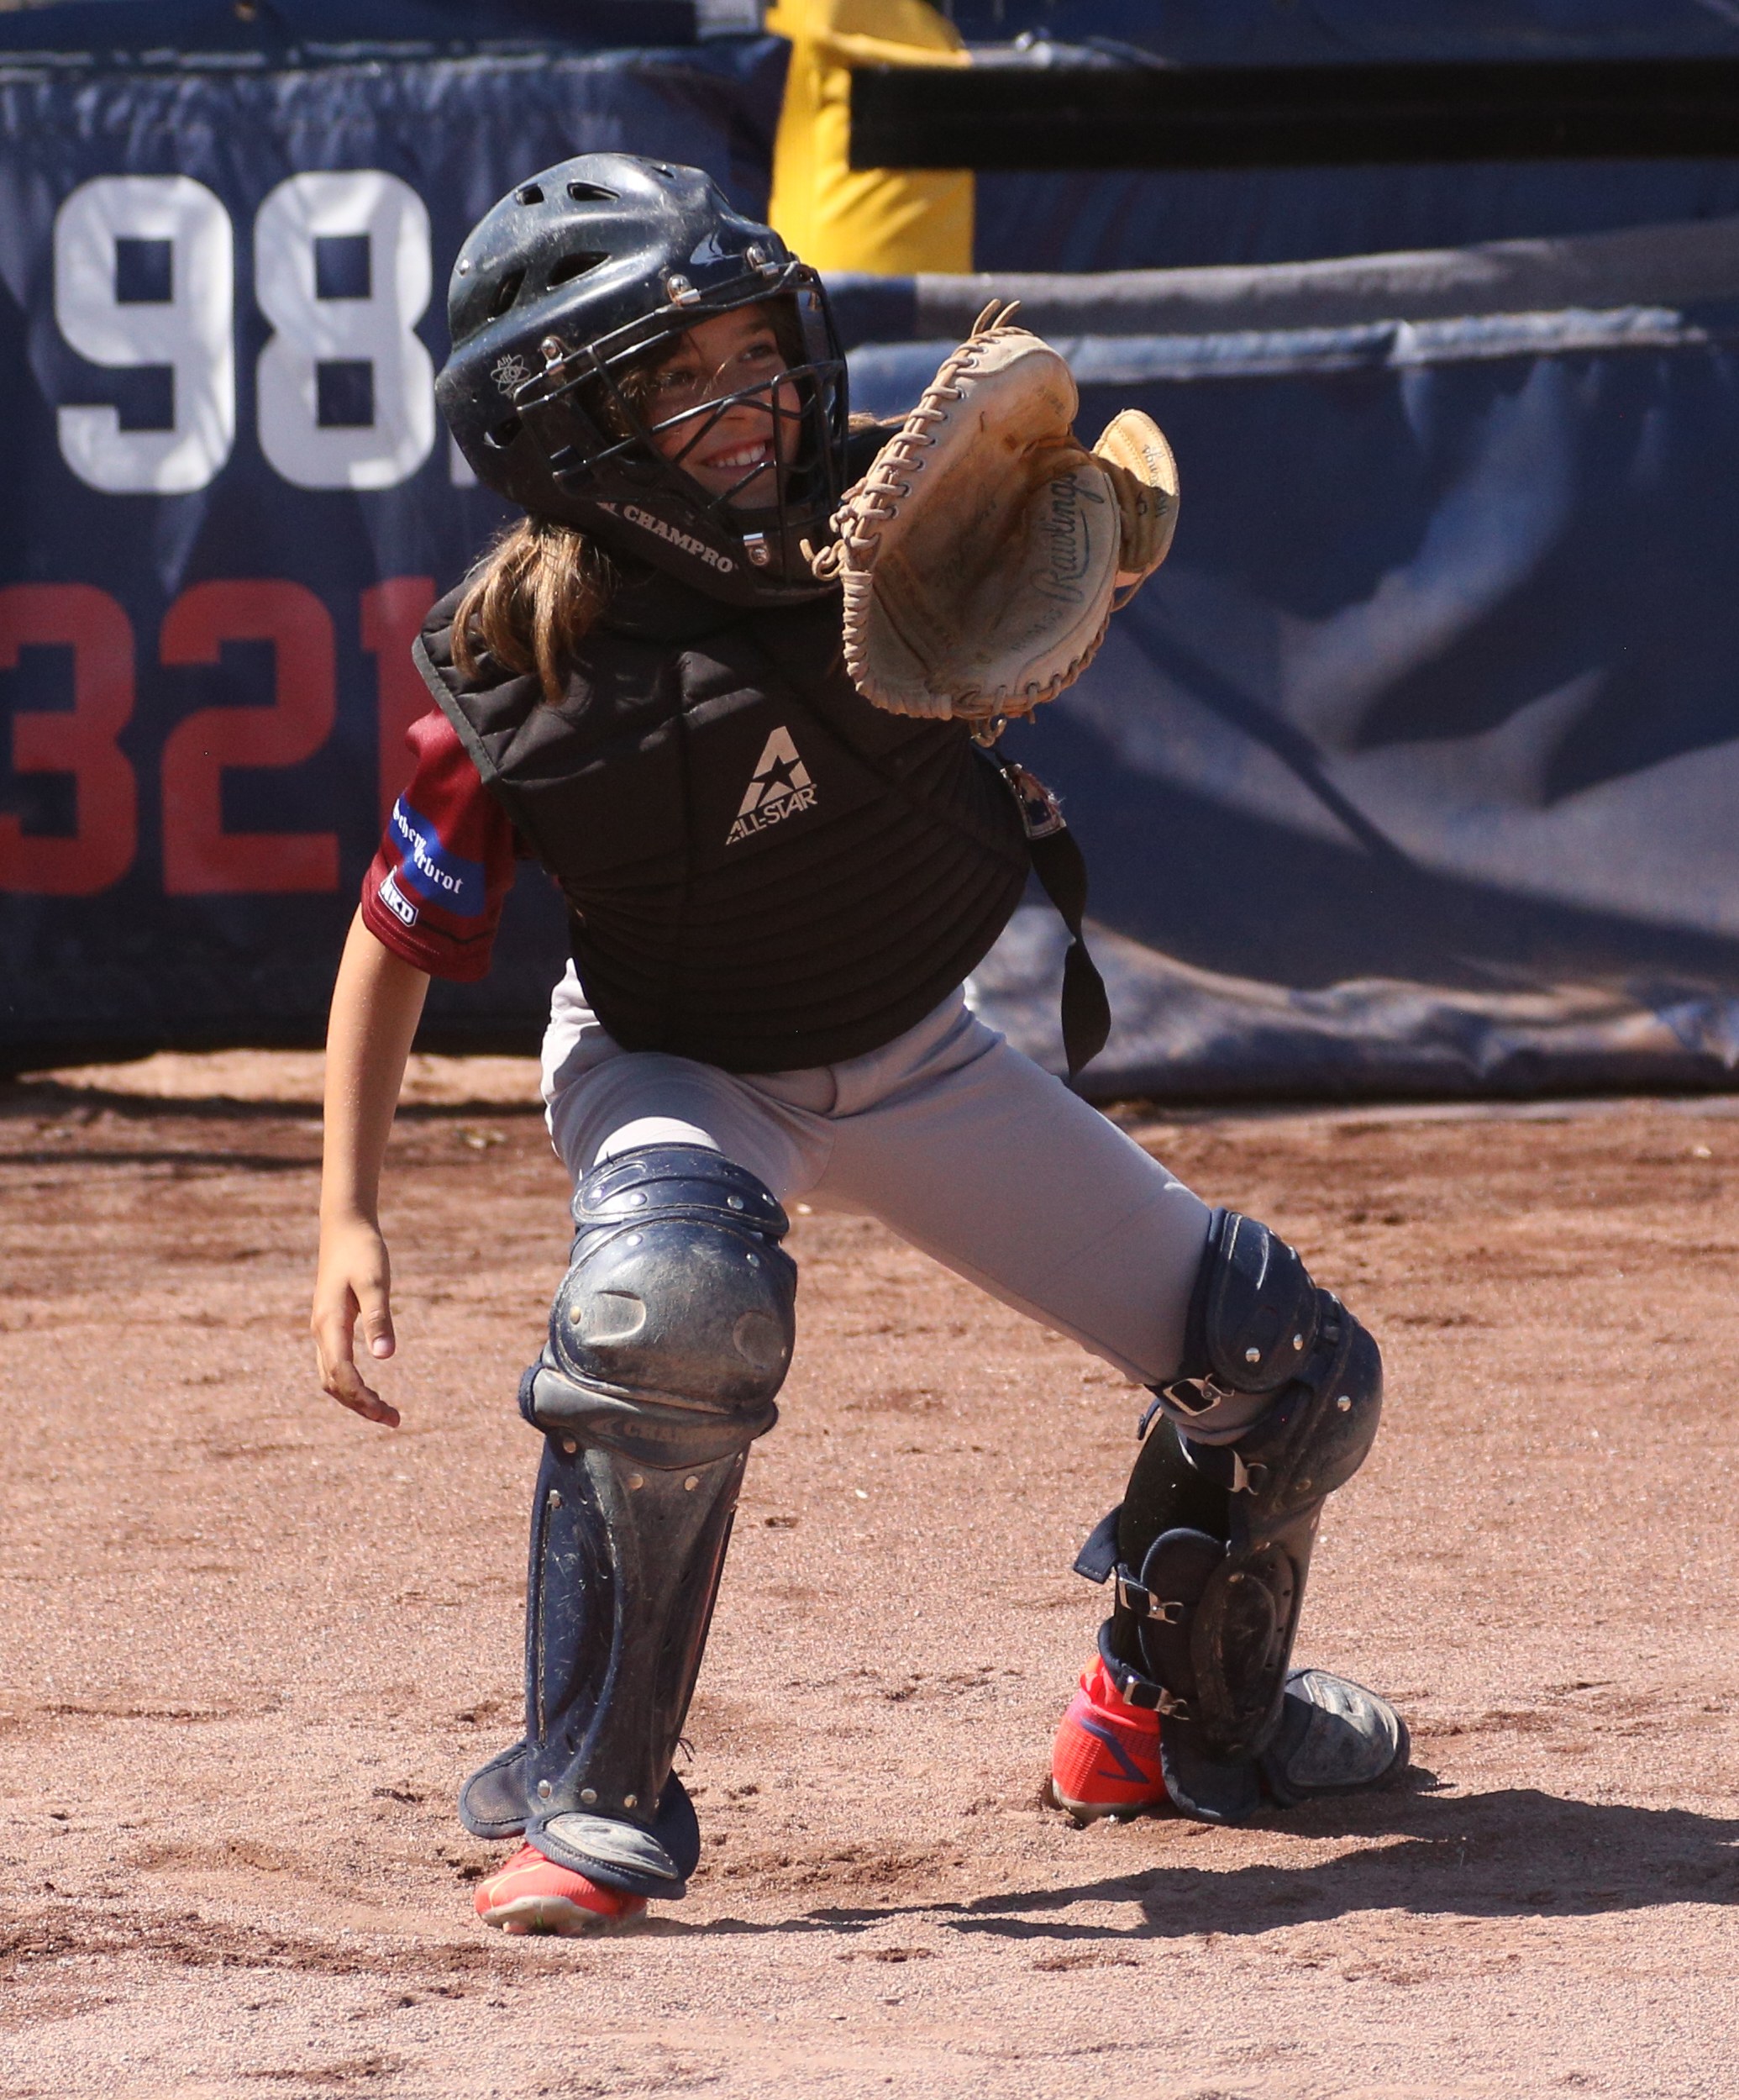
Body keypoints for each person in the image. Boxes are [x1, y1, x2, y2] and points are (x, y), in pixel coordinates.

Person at [310, 153, 1408, 1939]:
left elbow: (1071, 524)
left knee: (1294, 1367)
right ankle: (589, 1800)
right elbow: (392, 941)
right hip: (679, 1061)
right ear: (566, 430)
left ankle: (1164, 1717)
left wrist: (1084, 566)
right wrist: (347, 1216)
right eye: (680, 377)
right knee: (671, 1307)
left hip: (910, 1044)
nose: (747, 403)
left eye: (760, 354)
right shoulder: (532, 664)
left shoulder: (872, 520)